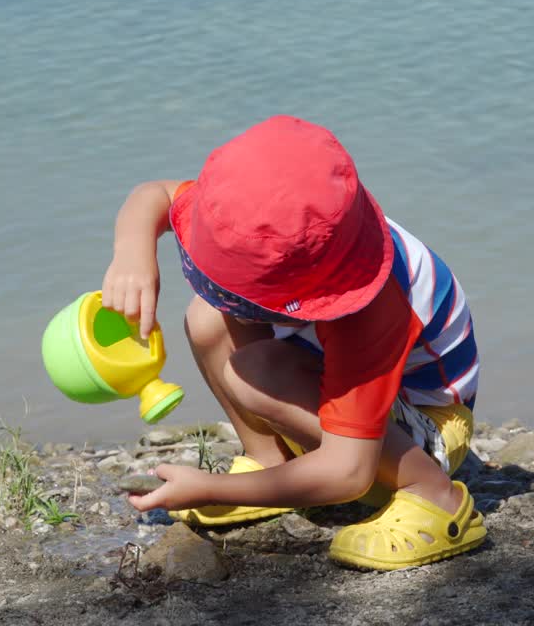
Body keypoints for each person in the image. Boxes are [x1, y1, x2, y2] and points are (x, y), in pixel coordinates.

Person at [101, 114, 486, 570]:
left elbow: (349, 470)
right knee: (207, 317)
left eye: (233, 288)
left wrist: (210, 488)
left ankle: (433, 496)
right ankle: (271, 463)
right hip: (341, 368)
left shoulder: (369, 306)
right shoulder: (255, 213)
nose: (219, 291)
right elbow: (156, 195)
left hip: (429, 420)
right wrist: (133, 252)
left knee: (260, 374)